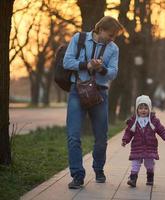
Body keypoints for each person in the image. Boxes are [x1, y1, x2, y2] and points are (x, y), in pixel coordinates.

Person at [63, 16, 124, 189]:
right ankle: (77, 176)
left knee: (101, 138)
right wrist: (87, 65)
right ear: (101, 29)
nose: (112, 39)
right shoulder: (79, 38)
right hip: (77, 91)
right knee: (73, 136)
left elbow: (113, 73)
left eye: (114, 37)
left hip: (100, 93)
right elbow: (67, 62)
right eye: (110, 35)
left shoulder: (113, 49)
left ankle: (98, 169)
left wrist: (101, 68)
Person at [122, 95, 165, 187]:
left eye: (146, 108)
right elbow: (128, 132)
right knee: (135, 162)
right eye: (140, 108)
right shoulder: (133, 121)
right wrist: (125, 140)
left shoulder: (154, 120)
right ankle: (133, 178)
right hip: (137, 146)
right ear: (137, 109)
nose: (143, 110)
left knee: (149, 163)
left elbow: (161, 129)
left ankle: (150, 176)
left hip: (150, 146)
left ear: (149, 109)